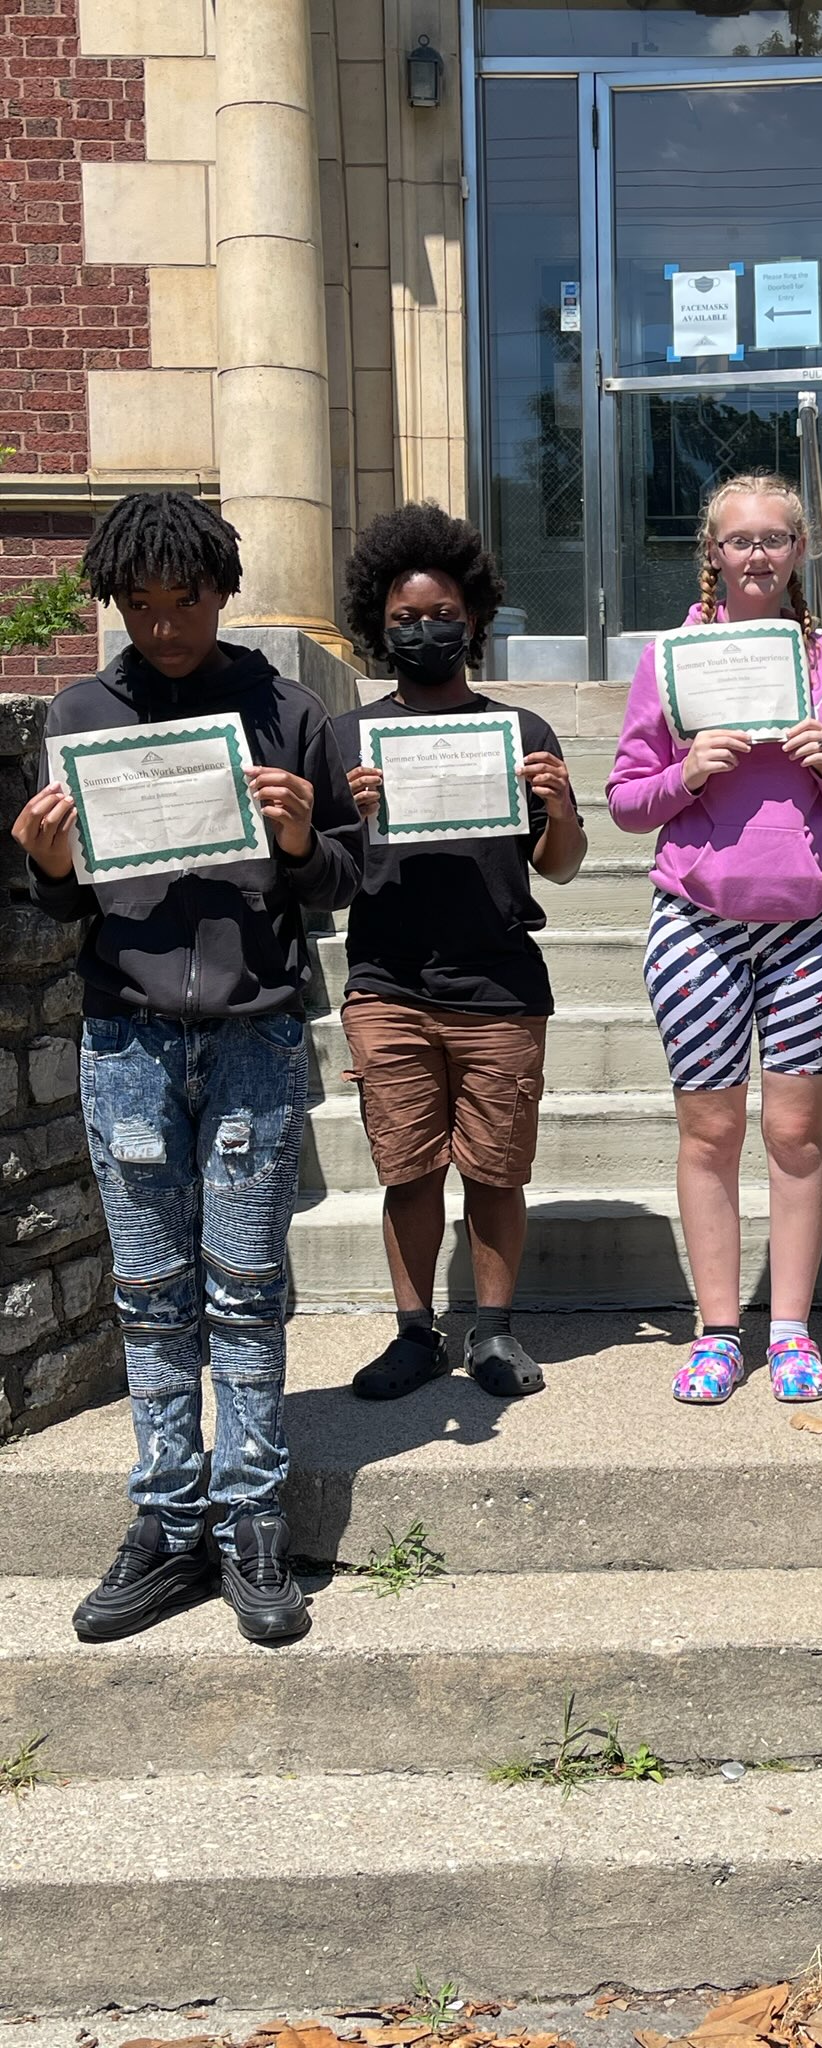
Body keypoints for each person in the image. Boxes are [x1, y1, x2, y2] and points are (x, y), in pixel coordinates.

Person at [11, 491, 362, 1644]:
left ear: (223, 589)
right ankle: (168, 1521)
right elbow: (70, 900)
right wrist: (49, 866)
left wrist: (305, 841)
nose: (166, 625)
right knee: (151, 1295)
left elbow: (349, 880)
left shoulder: (287, 708)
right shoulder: (82, 708)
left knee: (247, 1288)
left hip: (256, 1031)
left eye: (188, 599)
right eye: (143, 604)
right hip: (127, 1035)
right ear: (115, 601)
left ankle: (252, 1516)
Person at [606, 472, 822, 1405]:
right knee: (711, 1131)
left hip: (808, 931)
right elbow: (624, 801)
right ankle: (720, 1329)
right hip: (698, 925)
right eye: (740, 539)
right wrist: (687, 771)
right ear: (712, 552)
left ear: (801, 551)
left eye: (776, 538)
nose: (757, 554)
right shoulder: (671, 660)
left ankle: (795, 1329)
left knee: (797, 1134)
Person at [332, 504, 586, 1402]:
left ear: (473, 618)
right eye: (403, 620)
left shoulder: (521, 734)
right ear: (378, 625)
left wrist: (556, 806)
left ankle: (493, 1329)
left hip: (499, 984)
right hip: (387, 985)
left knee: (494, 1172)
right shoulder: (346, 739)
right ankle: (414, 1333)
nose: (423, 630)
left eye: (439, 614)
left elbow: (561, 866)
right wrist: (354, 820)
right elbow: (325, 874)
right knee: (407, 1171)